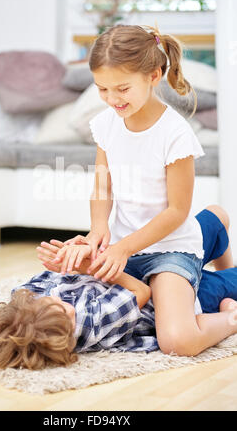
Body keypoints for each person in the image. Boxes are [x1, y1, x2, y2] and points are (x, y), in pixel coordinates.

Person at [50, 24, 237, 357]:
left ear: (153, 75)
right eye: (102, 89)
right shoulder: (105, 123)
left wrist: (122, 248)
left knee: (178, 341)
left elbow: (177, 212)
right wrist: (98, 230)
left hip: (170, 248)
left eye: (122, 88)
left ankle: (230, 317)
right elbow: (103, 184)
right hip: (125, 246)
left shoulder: (174, 134)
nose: (112, 99)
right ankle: (215, 223)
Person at [0, 206, 237, 370]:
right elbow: (141, 293)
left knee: (216, 215)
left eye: (58, 309)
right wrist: (90, 267)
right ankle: (228, 317)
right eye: (68, 324)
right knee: (223, 286)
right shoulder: (89, 325)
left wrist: (73, 254)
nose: (70, 314)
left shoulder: (26, 294)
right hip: (174, 299)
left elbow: (63, 277)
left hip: (139, 264)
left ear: (30, 304)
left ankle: (221, 267)